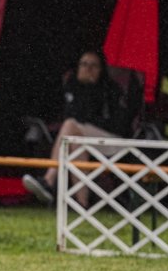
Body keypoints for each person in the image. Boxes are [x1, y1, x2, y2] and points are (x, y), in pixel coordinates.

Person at [23, 50, 130, 205]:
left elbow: (116, 123)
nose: (88, 69)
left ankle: (49, 180)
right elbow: (72, 113)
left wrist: (91, 91)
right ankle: (82, 204)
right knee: (75, 143)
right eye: (84, 64)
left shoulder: (111, 89)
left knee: (70, 126)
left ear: (101, 69)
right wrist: (83, 90)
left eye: (93, 65)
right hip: (85, 137)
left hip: (113, 141)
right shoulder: (73, 86)